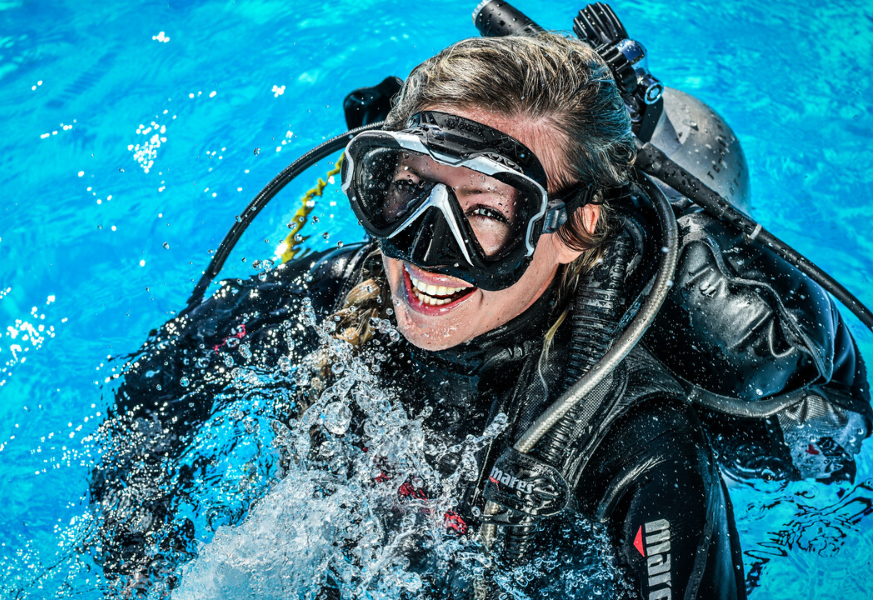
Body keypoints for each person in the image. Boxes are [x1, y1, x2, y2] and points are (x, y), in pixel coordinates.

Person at [90, 32, 870, 599]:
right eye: (407, 192)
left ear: (575, 229)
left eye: (485, 212)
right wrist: (138, 560)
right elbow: (162, 376)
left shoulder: (640, 447)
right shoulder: (338, 300)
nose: (428, 251)